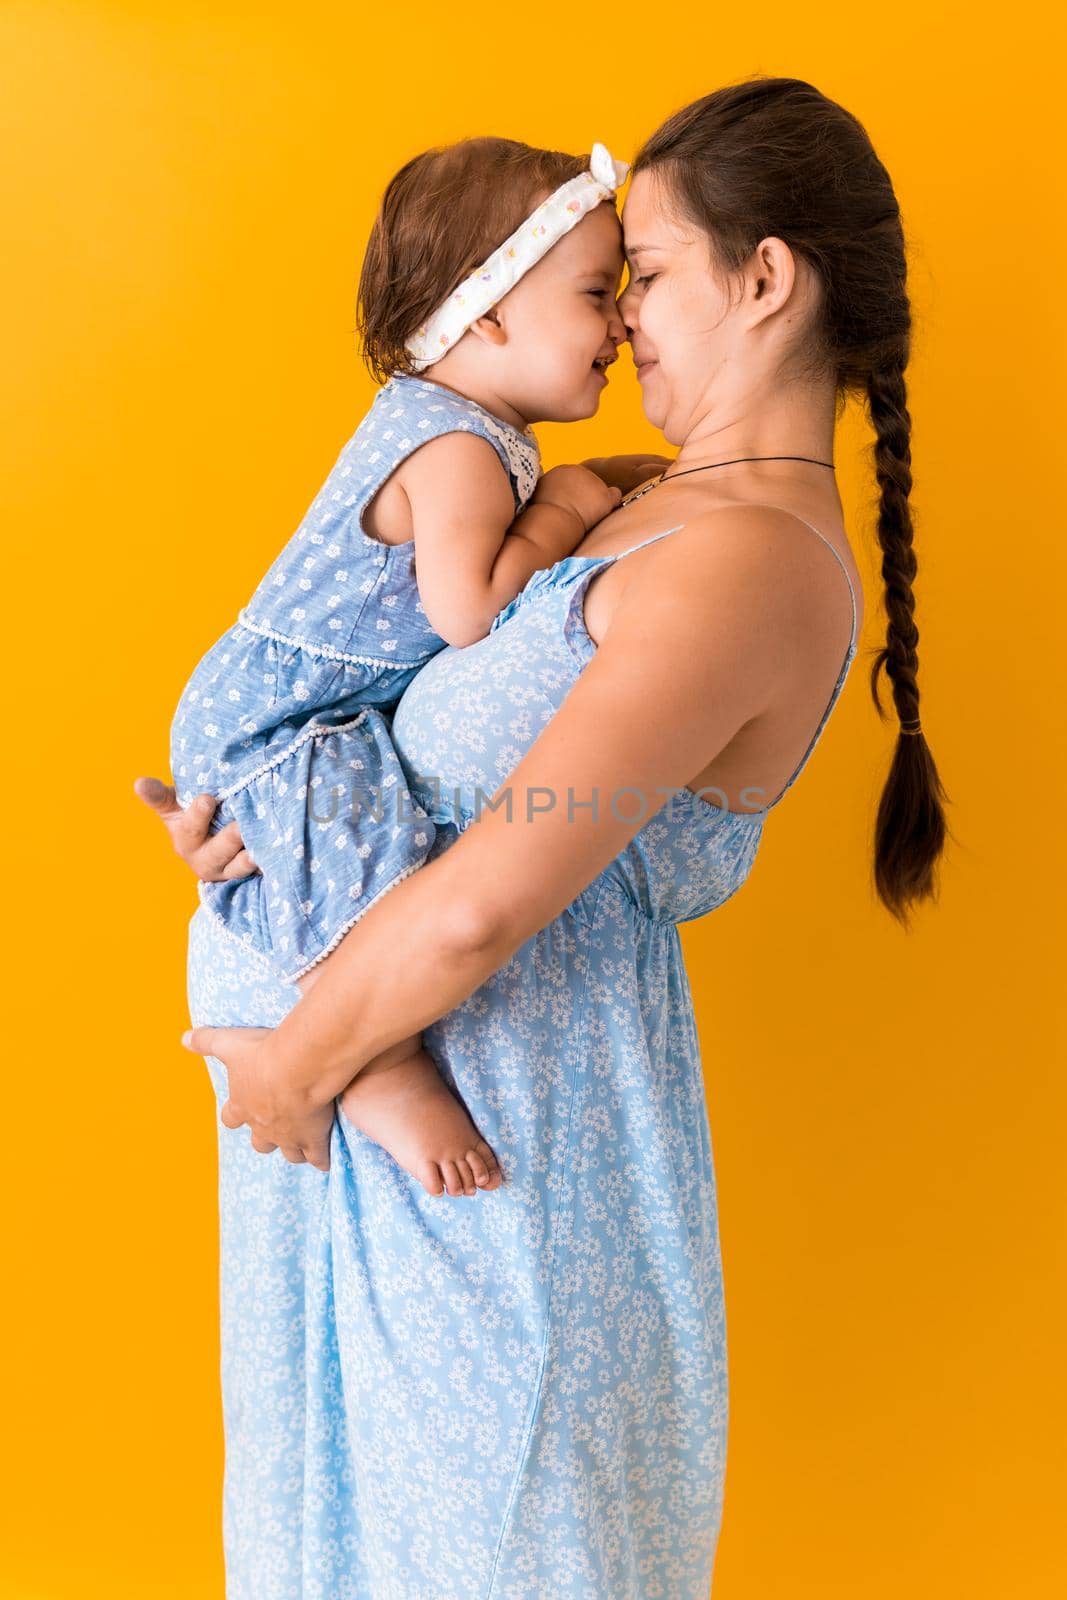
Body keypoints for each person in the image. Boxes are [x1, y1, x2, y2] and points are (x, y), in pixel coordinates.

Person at [138, 75, 949, 1599]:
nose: (619, 313)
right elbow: (400, 745)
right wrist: (257, 831)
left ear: (764, 279)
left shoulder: (745, 563)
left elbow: (482, 906)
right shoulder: (638, 503)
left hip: (506, 1169)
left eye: (642, 272)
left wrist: (303, 1063)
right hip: (383, 1122)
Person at [164, 137, 632, 1199]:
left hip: (283, 707)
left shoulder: (463, 427)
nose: (618, 325)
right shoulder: (458, 447)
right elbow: (467, 611)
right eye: (596, 293)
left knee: (353, 845)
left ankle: (364, 1048)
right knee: (368, 874)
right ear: (487, 313)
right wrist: (567, 502)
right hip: (283, 720)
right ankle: (376, 1066)